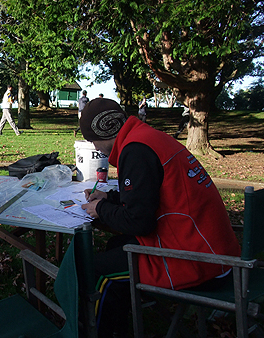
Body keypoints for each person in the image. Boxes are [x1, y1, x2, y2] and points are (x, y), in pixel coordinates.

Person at [79, 98, 241, 338]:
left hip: (197, 261)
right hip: (216, 250)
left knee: (95, 270)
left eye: (92, 140)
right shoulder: (147, 137)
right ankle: (120, 325)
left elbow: (139, 222)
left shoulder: (134, 151)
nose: (94, 146)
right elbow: (151, 194)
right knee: (115, 246)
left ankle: (96, 332)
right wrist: (111, 198)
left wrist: (100, 208)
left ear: (101, 135)